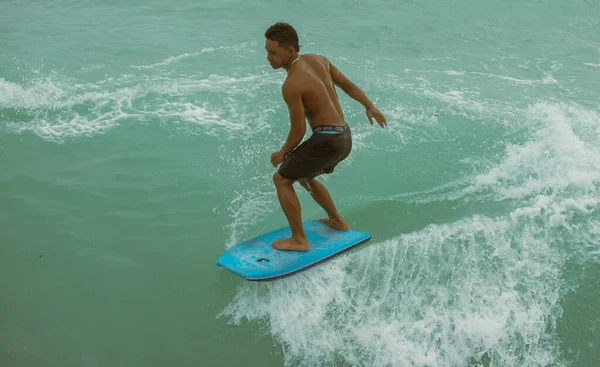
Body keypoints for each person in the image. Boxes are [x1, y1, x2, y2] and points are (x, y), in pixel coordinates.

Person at [265, 22, 387, 252]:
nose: (268, 57)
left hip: (326, 140)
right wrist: (369, 106)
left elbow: (299, 130)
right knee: (304, 176)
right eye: (267, 51)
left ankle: (299, 240)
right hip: (344, 137)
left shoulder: (292, 84)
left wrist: (282, 153)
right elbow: (347, 85)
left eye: (273, 52)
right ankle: (337, 221)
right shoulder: (319, 60)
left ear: (290, 51)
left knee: (281, 179)